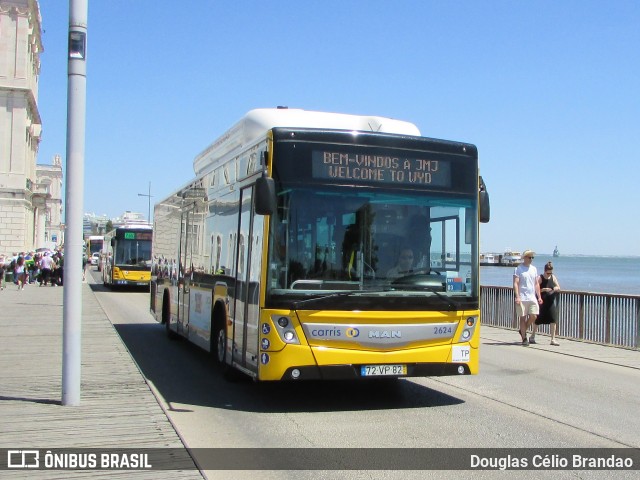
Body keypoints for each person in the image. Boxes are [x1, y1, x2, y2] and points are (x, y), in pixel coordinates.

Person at [513, 250, 542, 345]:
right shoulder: (518, 269)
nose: (531, 259)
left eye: (532, 258)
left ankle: (523, 330)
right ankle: (524, 338)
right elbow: (516, 283)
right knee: (523, 317)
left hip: (532, 297)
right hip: (522, 297)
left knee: (534, 315)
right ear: (525, 258)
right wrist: (517, 296)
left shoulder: (534, 269)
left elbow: (536, 283)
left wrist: (539, 296)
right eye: (529, 257)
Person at [531, 262, 561, 346]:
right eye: (548, 273)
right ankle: (532, 336)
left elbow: (558, 287)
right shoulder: (540, 278)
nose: (549, 274)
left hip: (551, 302)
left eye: (550, 273)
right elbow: (534, 289)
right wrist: (542, 290)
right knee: (538, 320)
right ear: (544, 271)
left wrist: (553, 288)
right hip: (542, 302)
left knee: (553, 320)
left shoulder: (553, 277)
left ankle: (553, 339)